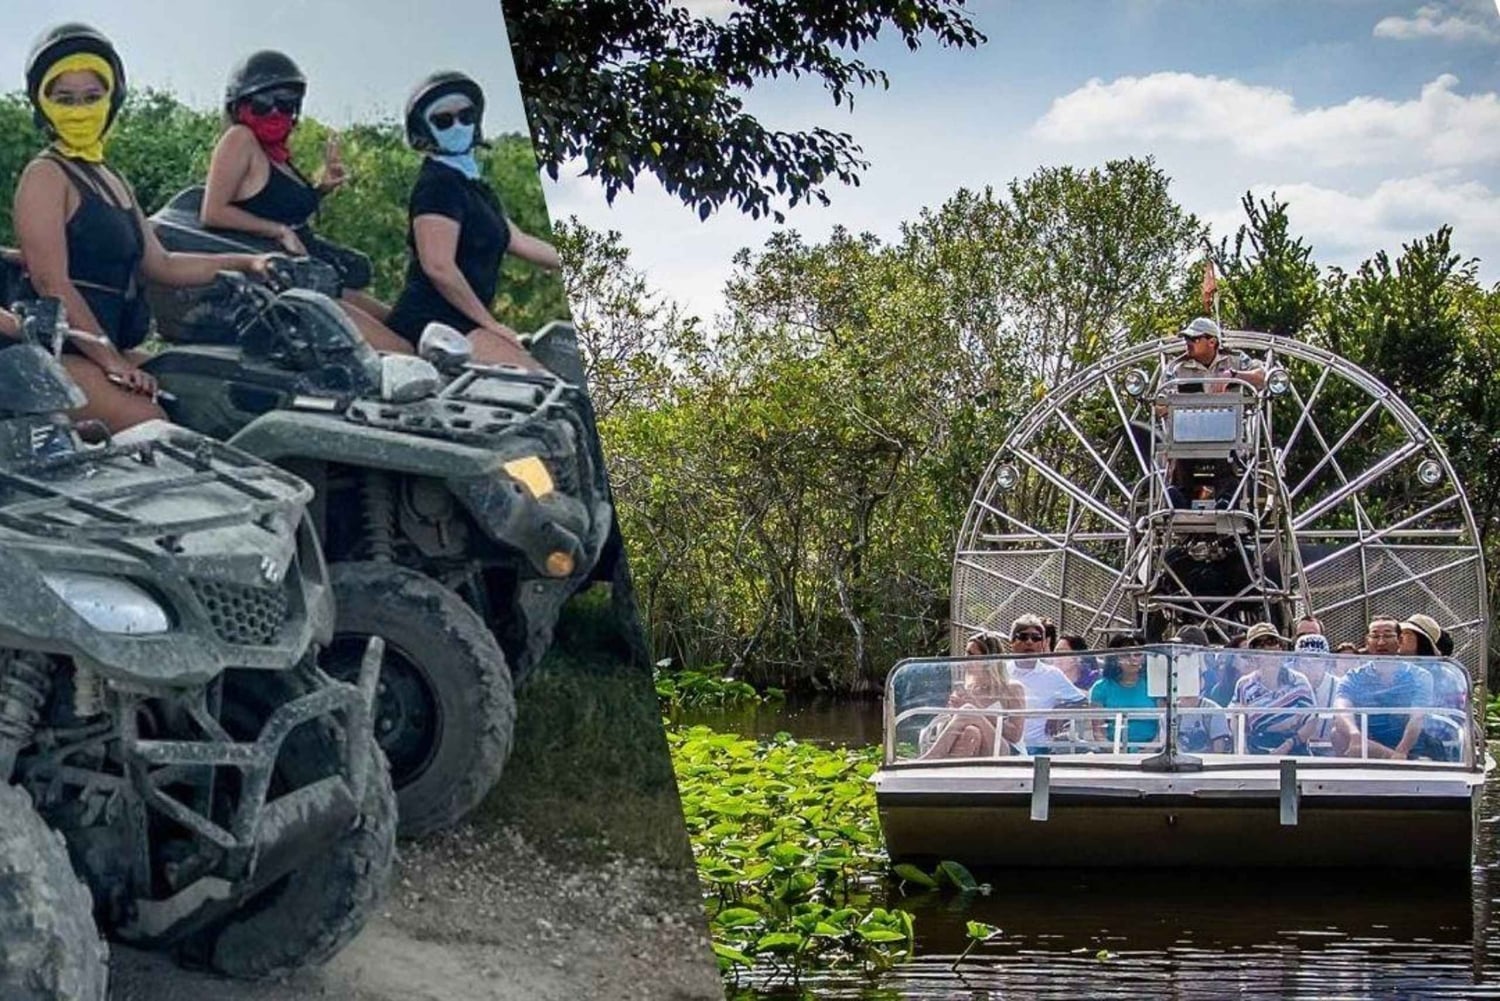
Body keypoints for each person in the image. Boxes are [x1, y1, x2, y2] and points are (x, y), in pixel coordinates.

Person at [14, 24, 273, 433]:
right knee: (150, 424)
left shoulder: (111, 179)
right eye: (64, 99)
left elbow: (163, 264)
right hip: (51, 352)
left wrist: (251, 262)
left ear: (111, 99)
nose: (80, 109)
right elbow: (52, 283)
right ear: (43, 104)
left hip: (106, 347)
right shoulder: (45, 175)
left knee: (206, 390)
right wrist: (110, 360)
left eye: (91, 97)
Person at [200, 50, 409, 354]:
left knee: (400, 323)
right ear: (240, 105)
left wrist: (320, 188)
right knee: (401, 350)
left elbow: (278, 205)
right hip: (285, 285)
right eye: (262, 103)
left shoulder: (276, 154)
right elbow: (213, 211)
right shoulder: (240, 139)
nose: (274, 112)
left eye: (285, 104)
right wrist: (277, 230)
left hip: (314, 275)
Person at [385, 71, 561, 366]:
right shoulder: (438, 185)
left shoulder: (473, 185)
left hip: (462, 322)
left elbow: (517, 240)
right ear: (424, 130)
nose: (458, 125)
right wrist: (491, 325)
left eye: (465, 115)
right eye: (443, 120)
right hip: (432, 323)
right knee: (541, 385)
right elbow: (438, 266)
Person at [1162, 317, 1266, 509]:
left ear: (1212, 341)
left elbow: (1262, 377)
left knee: (1227, 458)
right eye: (1187, 339)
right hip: (1189, 440)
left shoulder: (1235, 360)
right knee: (1180, 456)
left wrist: (1234, 375)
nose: (1188, 344)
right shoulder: (1177, 368)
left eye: (1194, 339)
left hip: (1227, 440)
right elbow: (1159, 404)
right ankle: (1178, 501)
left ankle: (1227, 502)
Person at [1332, 615, 1436, 759]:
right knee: (1337, 733)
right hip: (1366, 750)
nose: (1381, 642)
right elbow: (1341, 709)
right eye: (1375, 636)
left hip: (1412, 752)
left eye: (1387, 636)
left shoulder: (1419, 676)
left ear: (1399, 641)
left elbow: (1417, 718)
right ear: (1367, 641)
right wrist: (1354, 734)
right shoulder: (1354, 677)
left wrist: (1401, 752)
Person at [920, 632, 1026, 759]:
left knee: (969, 710)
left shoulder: (1012, 688)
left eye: (971, 655)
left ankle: (931, 757)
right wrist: (952, 712)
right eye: (965, 653)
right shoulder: (966, 688)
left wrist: (978, 709)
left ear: (988, 660)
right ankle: (949, 775)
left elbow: (1015, 735)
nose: (966, 659)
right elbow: (945, 726)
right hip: (977, 745)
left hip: (1007, 750)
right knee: (972, 732)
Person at [1006, 613, 1087, 753]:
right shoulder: (1002, 672)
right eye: (1023, 637)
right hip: (1006, 746)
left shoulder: (1052, 674)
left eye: (1036, 638)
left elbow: (1083, 701)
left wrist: (1059, 712)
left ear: (1043, 644)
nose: (1030, 642)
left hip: (1039, 748)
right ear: (1012, 642)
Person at [1232, 623, 1313, 755]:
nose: (1268, 650)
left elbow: (1311, 721)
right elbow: (1237, 720)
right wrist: (1241, 749)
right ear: (1252, 654)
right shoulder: (1244, 685)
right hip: (1257, 751)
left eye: (1272, 642)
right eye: (1260, 645)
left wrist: (1287, 746)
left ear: (1280, 648)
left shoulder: (1298, 681)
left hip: (1294, 749)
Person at [1088, 633, 1160, 750]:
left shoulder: (1155, 685)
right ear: (1114, 658)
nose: (1132, 659)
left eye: (1137, 654)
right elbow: (1098, 733)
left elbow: (1164, 729)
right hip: (1113, 755)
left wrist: (1149, 751)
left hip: (1153, 753)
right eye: (1126, 655)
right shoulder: (1100, 688)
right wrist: (1118, 753)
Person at [1291, 634, 1339, 749]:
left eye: (1317, 660)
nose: (1310, 666)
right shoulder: (1289, 685)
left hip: (1331, 753)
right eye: (1305, 661)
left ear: (1326, 663)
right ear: (1297, 664)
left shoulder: (1339, 686)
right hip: (1295, 750)